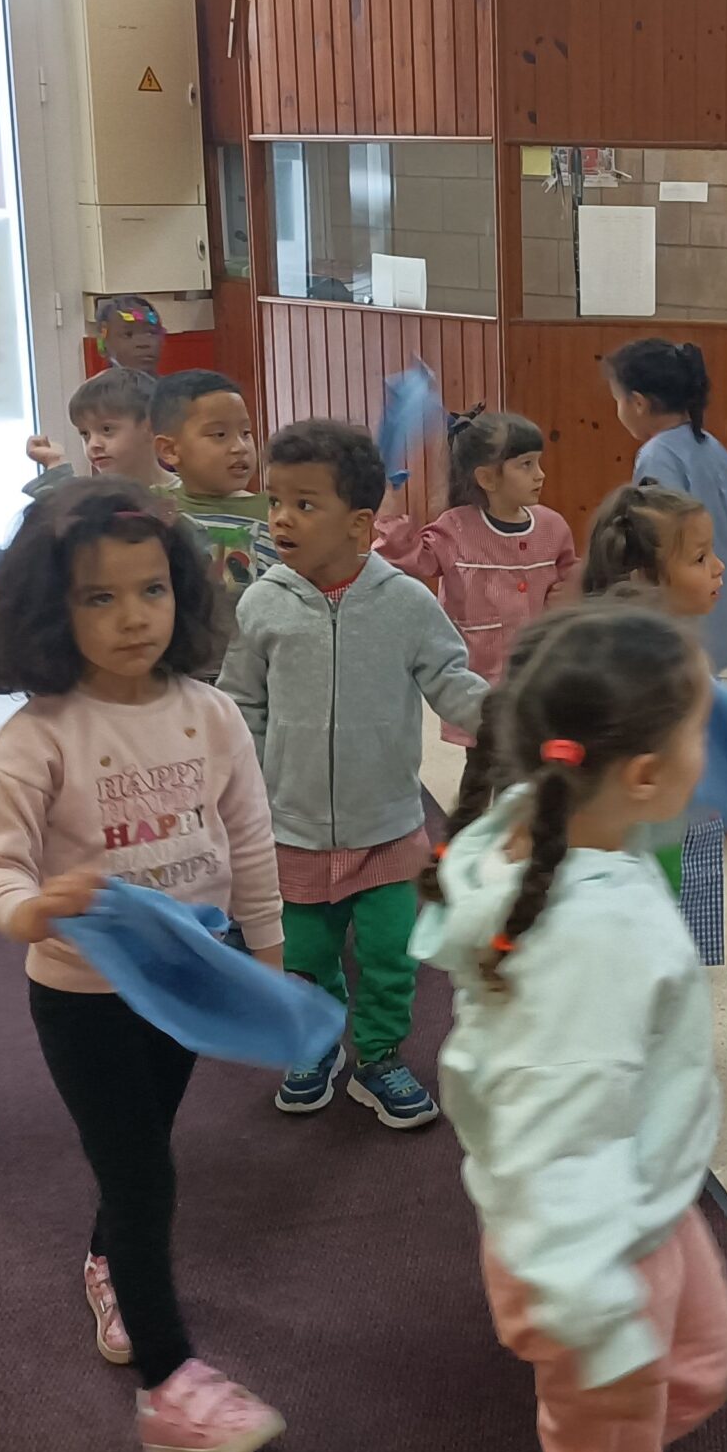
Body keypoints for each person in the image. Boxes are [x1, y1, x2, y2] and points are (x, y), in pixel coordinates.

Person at [0, 479, 286, 1452]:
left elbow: (247, 833)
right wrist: (33, 908)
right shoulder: (36, 738)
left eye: (151, 590)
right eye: (98, 598)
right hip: (84, 997)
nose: (133, 617)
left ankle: (107, 1261)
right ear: (48, 612)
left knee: (141, 1147)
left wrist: (267, 954)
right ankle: (170, 1385)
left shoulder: (211, 713)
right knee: (144, 1175)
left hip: (186, 979)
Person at [415, 598, 727, 1452]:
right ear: (642, 775)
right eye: (700, 733)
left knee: (701, 1367)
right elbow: (558, 1133)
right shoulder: (596, 938)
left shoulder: (545, 827)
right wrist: (599, 1322)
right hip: (591, 1244)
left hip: (639, 1191)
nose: (709, 752)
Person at [220, 419, 490, 1126]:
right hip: (293, 827)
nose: (281, 518)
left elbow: (451, 678)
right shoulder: (262, 602)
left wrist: (510, 717)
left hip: (388, 825)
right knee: (305, 958)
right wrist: (245, 793)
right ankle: (316, 1046)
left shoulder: (406, 602)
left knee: (391, 956)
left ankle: (378, 1056)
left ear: (360, 523)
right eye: (276, 500)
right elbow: (241, 705)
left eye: (305, 504)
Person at [577, 481, 727, 965]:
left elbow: (709, 746)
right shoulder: (610, 664)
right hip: (624, 855)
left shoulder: (686, 653)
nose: (719, 567)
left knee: (669, 949)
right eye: (700, 558)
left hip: (677, 836)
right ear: (646, 577)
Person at [379, 408, 578, 800]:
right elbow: (408, 558)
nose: (540, 475)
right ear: (486, 478)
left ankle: (506, 828)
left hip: (536, 677)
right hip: (478, 682)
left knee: (522, 767)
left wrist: (571, 593)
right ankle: (475, 829)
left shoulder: (552, 527)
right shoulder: (455, 529)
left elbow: (571, 575)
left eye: (538, 463)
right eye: (525, 464)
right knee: (485, 765)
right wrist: (388, 510)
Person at [603, 339, 727, 672]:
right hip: (721, 600)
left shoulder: (658, 456)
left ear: (637, 402)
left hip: (691, 611)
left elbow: (664, 540)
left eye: (617, 400)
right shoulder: (710, 446)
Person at [150, 368, 271, 675]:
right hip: (178, 674)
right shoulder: (155, 509)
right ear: (170, 450)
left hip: (256, 674)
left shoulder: (276, 511)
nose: (239, 447)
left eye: (246, 433)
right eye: (219, 435)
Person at [22, 366, 169, 498]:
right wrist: (54, 462)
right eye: (85, 434)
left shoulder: (181, 497)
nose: (93, 444)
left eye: (107, 429)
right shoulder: (96, 501)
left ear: (150, 427)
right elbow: (68, 510)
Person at [94, 294, 165, 373]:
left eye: (151, 333)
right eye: (128, 334)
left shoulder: (172, 381)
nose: (143, 343)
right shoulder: (105, 381)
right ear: (104, 341)